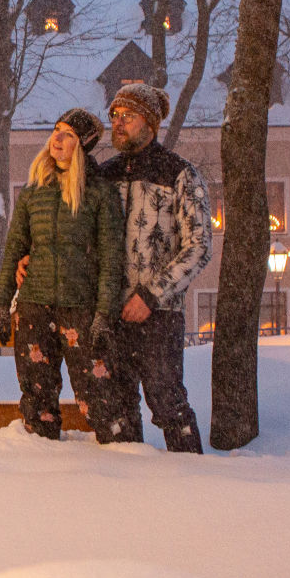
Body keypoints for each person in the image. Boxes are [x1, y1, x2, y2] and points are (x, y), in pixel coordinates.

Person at [0, 109, 126, 441]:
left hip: (80, 307)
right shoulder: (34, 190)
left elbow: (111, 256)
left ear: (83, 146)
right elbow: (14, 247)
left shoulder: (99, 192)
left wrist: (105, 313)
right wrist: (1, 303)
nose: (57, 139)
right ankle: (42, 471)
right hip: (34, 305)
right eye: (56, 130)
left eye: (68, 134)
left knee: (98, 398)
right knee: (37, 400)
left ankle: (123, 465)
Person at [94, 83, 212, 453]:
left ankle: (194, 482)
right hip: (108, 312)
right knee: (115, 411)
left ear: (150, 122)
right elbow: (77, 235)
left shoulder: (179, 174)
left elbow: (199, 246)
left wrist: (150, 295)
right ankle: (127, 495)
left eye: (127, 116)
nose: (118, 123)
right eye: (114, 116)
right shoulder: (103, 175)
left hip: (158, 314)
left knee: (167, 404)